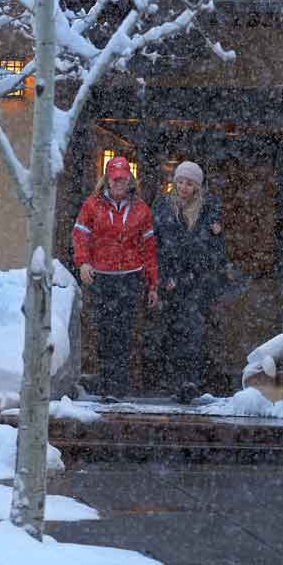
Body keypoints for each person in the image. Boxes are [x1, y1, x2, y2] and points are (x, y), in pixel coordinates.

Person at [72, 155, 158, 399]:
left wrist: (153, 284)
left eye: (123, 179)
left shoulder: (141, 210)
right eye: (115, 179)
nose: (119, 183)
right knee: (103, 331)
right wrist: (83, 262)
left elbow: (149, 249)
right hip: (102, 277)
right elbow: (80, 236)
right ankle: (105, 382)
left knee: (123, 332)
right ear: (107, 180)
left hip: (130, 278)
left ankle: (117, 387)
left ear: (130, 180)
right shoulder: (92, 205)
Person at [152, 160, 226, 404]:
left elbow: (214, 249)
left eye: (189, 184)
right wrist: (164, 277)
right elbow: (156, 244)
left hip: (197, 282)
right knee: (171, 331)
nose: (184, 187)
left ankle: (189, 382)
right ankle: (174, 381)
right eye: (181, 182)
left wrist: (198, 270)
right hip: (170, 280)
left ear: (197, 187)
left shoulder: (208, 209)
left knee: (192, 332)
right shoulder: (163, 206)